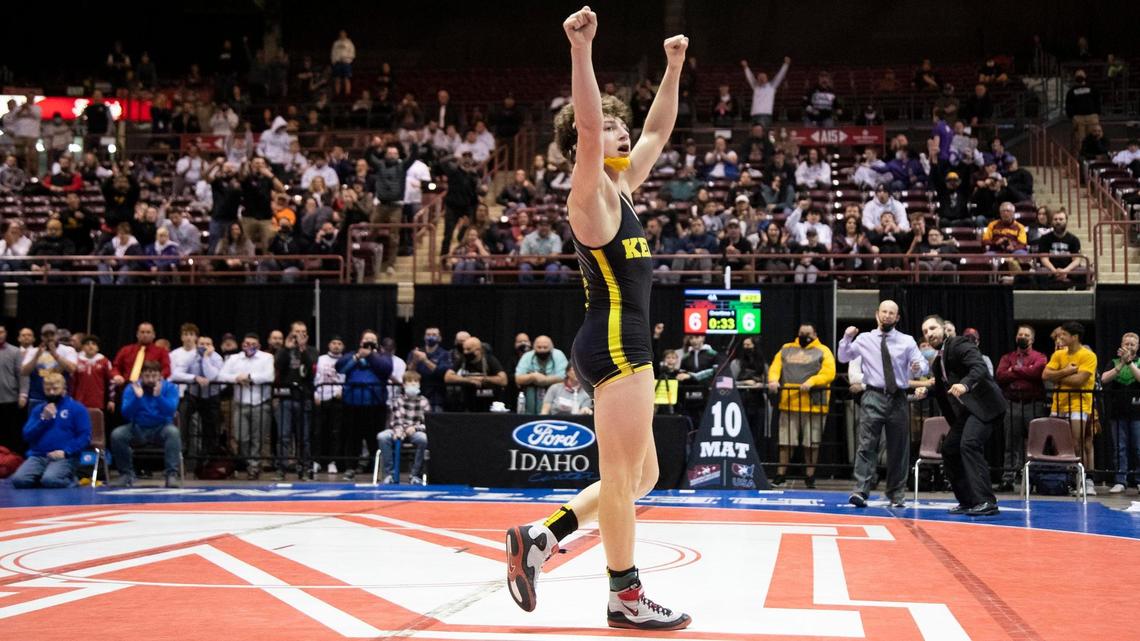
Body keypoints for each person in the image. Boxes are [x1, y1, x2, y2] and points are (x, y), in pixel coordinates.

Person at [504, 9, 692, 631]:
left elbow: (659, 131)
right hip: (616, 338)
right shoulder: (588, 189)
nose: (619, 133)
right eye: (610, 127)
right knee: (620, 479)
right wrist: (580, 51)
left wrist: (674, 67)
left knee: (643, 476)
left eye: (620, 126)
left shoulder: (623, 187)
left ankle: (541, 536)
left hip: (613, 338)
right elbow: (585, 126)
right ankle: (624, 594)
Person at [838, 300, 926, 508]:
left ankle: (896, 493)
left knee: (898, 448)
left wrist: (918, 367)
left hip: (898, 398)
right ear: (877, 314)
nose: (887, 315)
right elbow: (843, 356)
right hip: (873, 395)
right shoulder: (865, 339)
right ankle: (860, 490)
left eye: (892, 313)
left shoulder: (907, 341)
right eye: (884, 312)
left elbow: (921, 364)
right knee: (867, 445)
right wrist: (847, 337)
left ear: (897, 318)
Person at [917, 316, 1005, 516]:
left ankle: (986, 501)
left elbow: (979, 367)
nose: (929, 334)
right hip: (970, 411)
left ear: (944, 329)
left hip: (987, 407)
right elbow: (942, 388)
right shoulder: (939, 361)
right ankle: (967, 501)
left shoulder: (959, 343)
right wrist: (927, 392)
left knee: (969, 444)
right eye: (925, 331)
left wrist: (965, 384)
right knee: (949, 448)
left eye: (932, 328)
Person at [767, 323, 835, 488]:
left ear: (815, 334)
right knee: (785, 442)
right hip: (789, 403)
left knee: (811, 444)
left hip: (814, 405)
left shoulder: (823, 350)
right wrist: (773, 380)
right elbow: (776, 366)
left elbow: (829, 372)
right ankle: (780, 475)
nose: (805, 336)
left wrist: (812, 381)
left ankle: (809, 476)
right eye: (802, 333)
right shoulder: (786, 348)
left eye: (808, 333)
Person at [1042, 321, 1097, 495]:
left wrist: (1057, 377)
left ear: (1074, 337)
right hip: (1059, 405)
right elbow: (1045, 375)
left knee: (1077, 444)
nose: (1060, 338)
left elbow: (1079, 381)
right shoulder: (1059, 355)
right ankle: (1066, 480)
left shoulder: (1088, 356)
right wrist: (1067, 371)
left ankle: (1085, 480)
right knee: (1058, 445)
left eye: (1064, 335)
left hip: (1079, 405)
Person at [9, 372, 90, 489]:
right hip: (39, 456)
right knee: (18, 480)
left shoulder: (77, 408)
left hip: (64, 456)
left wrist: (66, 451)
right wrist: (43, 420)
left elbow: (85, 436)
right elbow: (26, 435)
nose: (51, 392)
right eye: (48, 389)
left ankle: (72, 481)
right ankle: (43, 479)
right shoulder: (39, 410)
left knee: (50, 480)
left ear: (64, 389)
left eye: (55, 389)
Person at [110, 361, 182, 487]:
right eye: (147, 376)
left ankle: (171, 474)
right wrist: (137, 399)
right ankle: (126, 474)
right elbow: (126, 414)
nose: (150, 380)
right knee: (117, 434)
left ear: (160, 376)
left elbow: (170, 411)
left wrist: (159, 397)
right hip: (138, 428)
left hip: (161, 428)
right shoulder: (132, 388)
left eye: (154, 376)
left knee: (173, 432)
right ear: (141, 376)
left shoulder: (170, 388)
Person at [994, 325, 1047, 492]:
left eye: (1026, 335)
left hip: (1033, 404)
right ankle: (1008, 479)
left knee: (1034, 444)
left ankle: (1032, 479)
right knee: (1010, 444)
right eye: (1020, 334)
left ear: (1032, 339)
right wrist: (1025, 371)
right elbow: (1001, 375)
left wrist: (1015, 370)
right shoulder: (1007, 357)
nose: (1022, 337)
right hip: (1012, 403)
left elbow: (1037, 373)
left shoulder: (1040, 357)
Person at [335, 330, 392, 480]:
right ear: (360, 342)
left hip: (375, 405)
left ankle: (377, 469)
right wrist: (357, 356)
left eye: (372, 340)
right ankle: (350, 468)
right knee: (353, 438)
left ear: (377, 343)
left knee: (374, 439)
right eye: (366, 340)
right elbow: (340, 367)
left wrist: (371, 355)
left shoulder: (382, 356)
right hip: (352, 404)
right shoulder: (352, 355)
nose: (368, 342)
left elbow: (386, 369)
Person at [217, 334, 275, 479]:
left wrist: (249, 377)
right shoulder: (234, 358)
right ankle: (250, 461)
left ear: (259, 345)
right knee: (241, 437)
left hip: (260, 402)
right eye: (247, 343)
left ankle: (254, 467)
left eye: (253, 344)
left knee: (258, 437)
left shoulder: (267, 357)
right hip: (240, 403)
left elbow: (269, 376)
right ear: (242, 344)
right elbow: (221, 375)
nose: (250, 346)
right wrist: (236, 378)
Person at [274, 321, 318, 481]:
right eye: (297, 332)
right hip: (285, 398)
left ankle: (305, 468)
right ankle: (281, 469)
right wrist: (287, 348)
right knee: (283, 436)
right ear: (291, 333)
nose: (300, 335)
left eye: (303, 332)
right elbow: (278, 366)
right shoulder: (284, 350)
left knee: (304, 437)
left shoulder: (311, 351)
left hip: (303, 398)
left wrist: (302, 349)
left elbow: (311, 369)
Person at [1100, 332, 1140, 494]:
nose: (1129, 347)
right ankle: (1120, 480)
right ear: (1121, 345)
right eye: (1126, 344)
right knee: (1120, 448)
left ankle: (1138, 479)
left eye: (1132, 344)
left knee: (1138, 448)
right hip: (1117, 412)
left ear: (1137, 347)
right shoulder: (1114, 362)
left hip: (1137, 412)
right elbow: (1103, 379)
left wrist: (1129, 363)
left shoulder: (1138, 362)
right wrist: (1121, 364)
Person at [377, 370, 430, 485]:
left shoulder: (424, 402)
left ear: (419, 384)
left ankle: (415, 475)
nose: (412, 384)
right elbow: (396, 420)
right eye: (409, 382)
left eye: (415, 382)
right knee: (382, 436)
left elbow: (427, 423)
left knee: (424, 439)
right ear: (404, 385)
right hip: (398, 430)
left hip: (415, 432)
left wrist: (415, 429)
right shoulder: (398, 400)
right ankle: (389, 475)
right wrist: (400, 432)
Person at [21, 324, 78, 406]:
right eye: (46, 335)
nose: (49, 337)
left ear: (57, 335)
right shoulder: (33, 351)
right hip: (37, 398)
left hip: (61, 397)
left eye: (52, 334)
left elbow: (72, 369)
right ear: (41, 337)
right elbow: (24, 372)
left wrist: (55, 355)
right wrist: (36, 356)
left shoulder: (68, 350)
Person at [445, 337, 508, 411]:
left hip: (487, 402)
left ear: (478, 350)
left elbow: (504, 380)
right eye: (464, 349)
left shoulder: (490, 360)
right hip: (467, 402)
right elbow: (447, 377)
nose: (465, 352)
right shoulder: (462, 360)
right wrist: (469, 380)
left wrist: (483, 379)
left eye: (468, 349)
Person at [514, 335, 568, 414]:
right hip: (531, 396)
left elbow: (564, 377)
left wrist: (544, 380)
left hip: (554, 396)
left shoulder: (558, 355)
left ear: (551, 347)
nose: (542, 350)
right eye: (539, 347)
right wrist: (533, 376)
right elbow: (518, 378)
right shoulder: (527, 356)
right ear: (534, 347)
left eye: (545, 347)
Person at [407, 327, 452, 411]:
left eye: (434, 335)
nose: (431, 337)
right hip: (418, 394)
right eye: (428, 335)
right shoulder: (416, 352)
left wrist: (425, 360)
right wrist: (414, 361)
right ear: (424, 337)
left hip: (437, 396)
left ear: (439, 338)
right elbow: (409, 372)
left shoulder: (444, 354)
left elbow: (442, 372)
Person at [741, 56, 790, 127]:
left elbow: (780, 76)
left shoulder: (771, 87)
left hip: (765, 115)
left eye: (763, 77)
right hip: (754, 115)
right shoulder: (755, 87)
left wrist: (785, 65)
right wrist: (746, 67)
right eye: (759, 77)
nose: (761, 79)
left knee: (762, 133)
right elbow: (750, 77)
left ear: (767, 78)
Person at [0, 324, 22, 451]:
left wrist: (22, 394)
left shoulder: (15, 351)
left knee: (9, 431)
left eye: (2, 332)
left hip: (10, 398)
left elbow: (21, 375)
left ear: (6, 333)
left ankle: (9, 459)